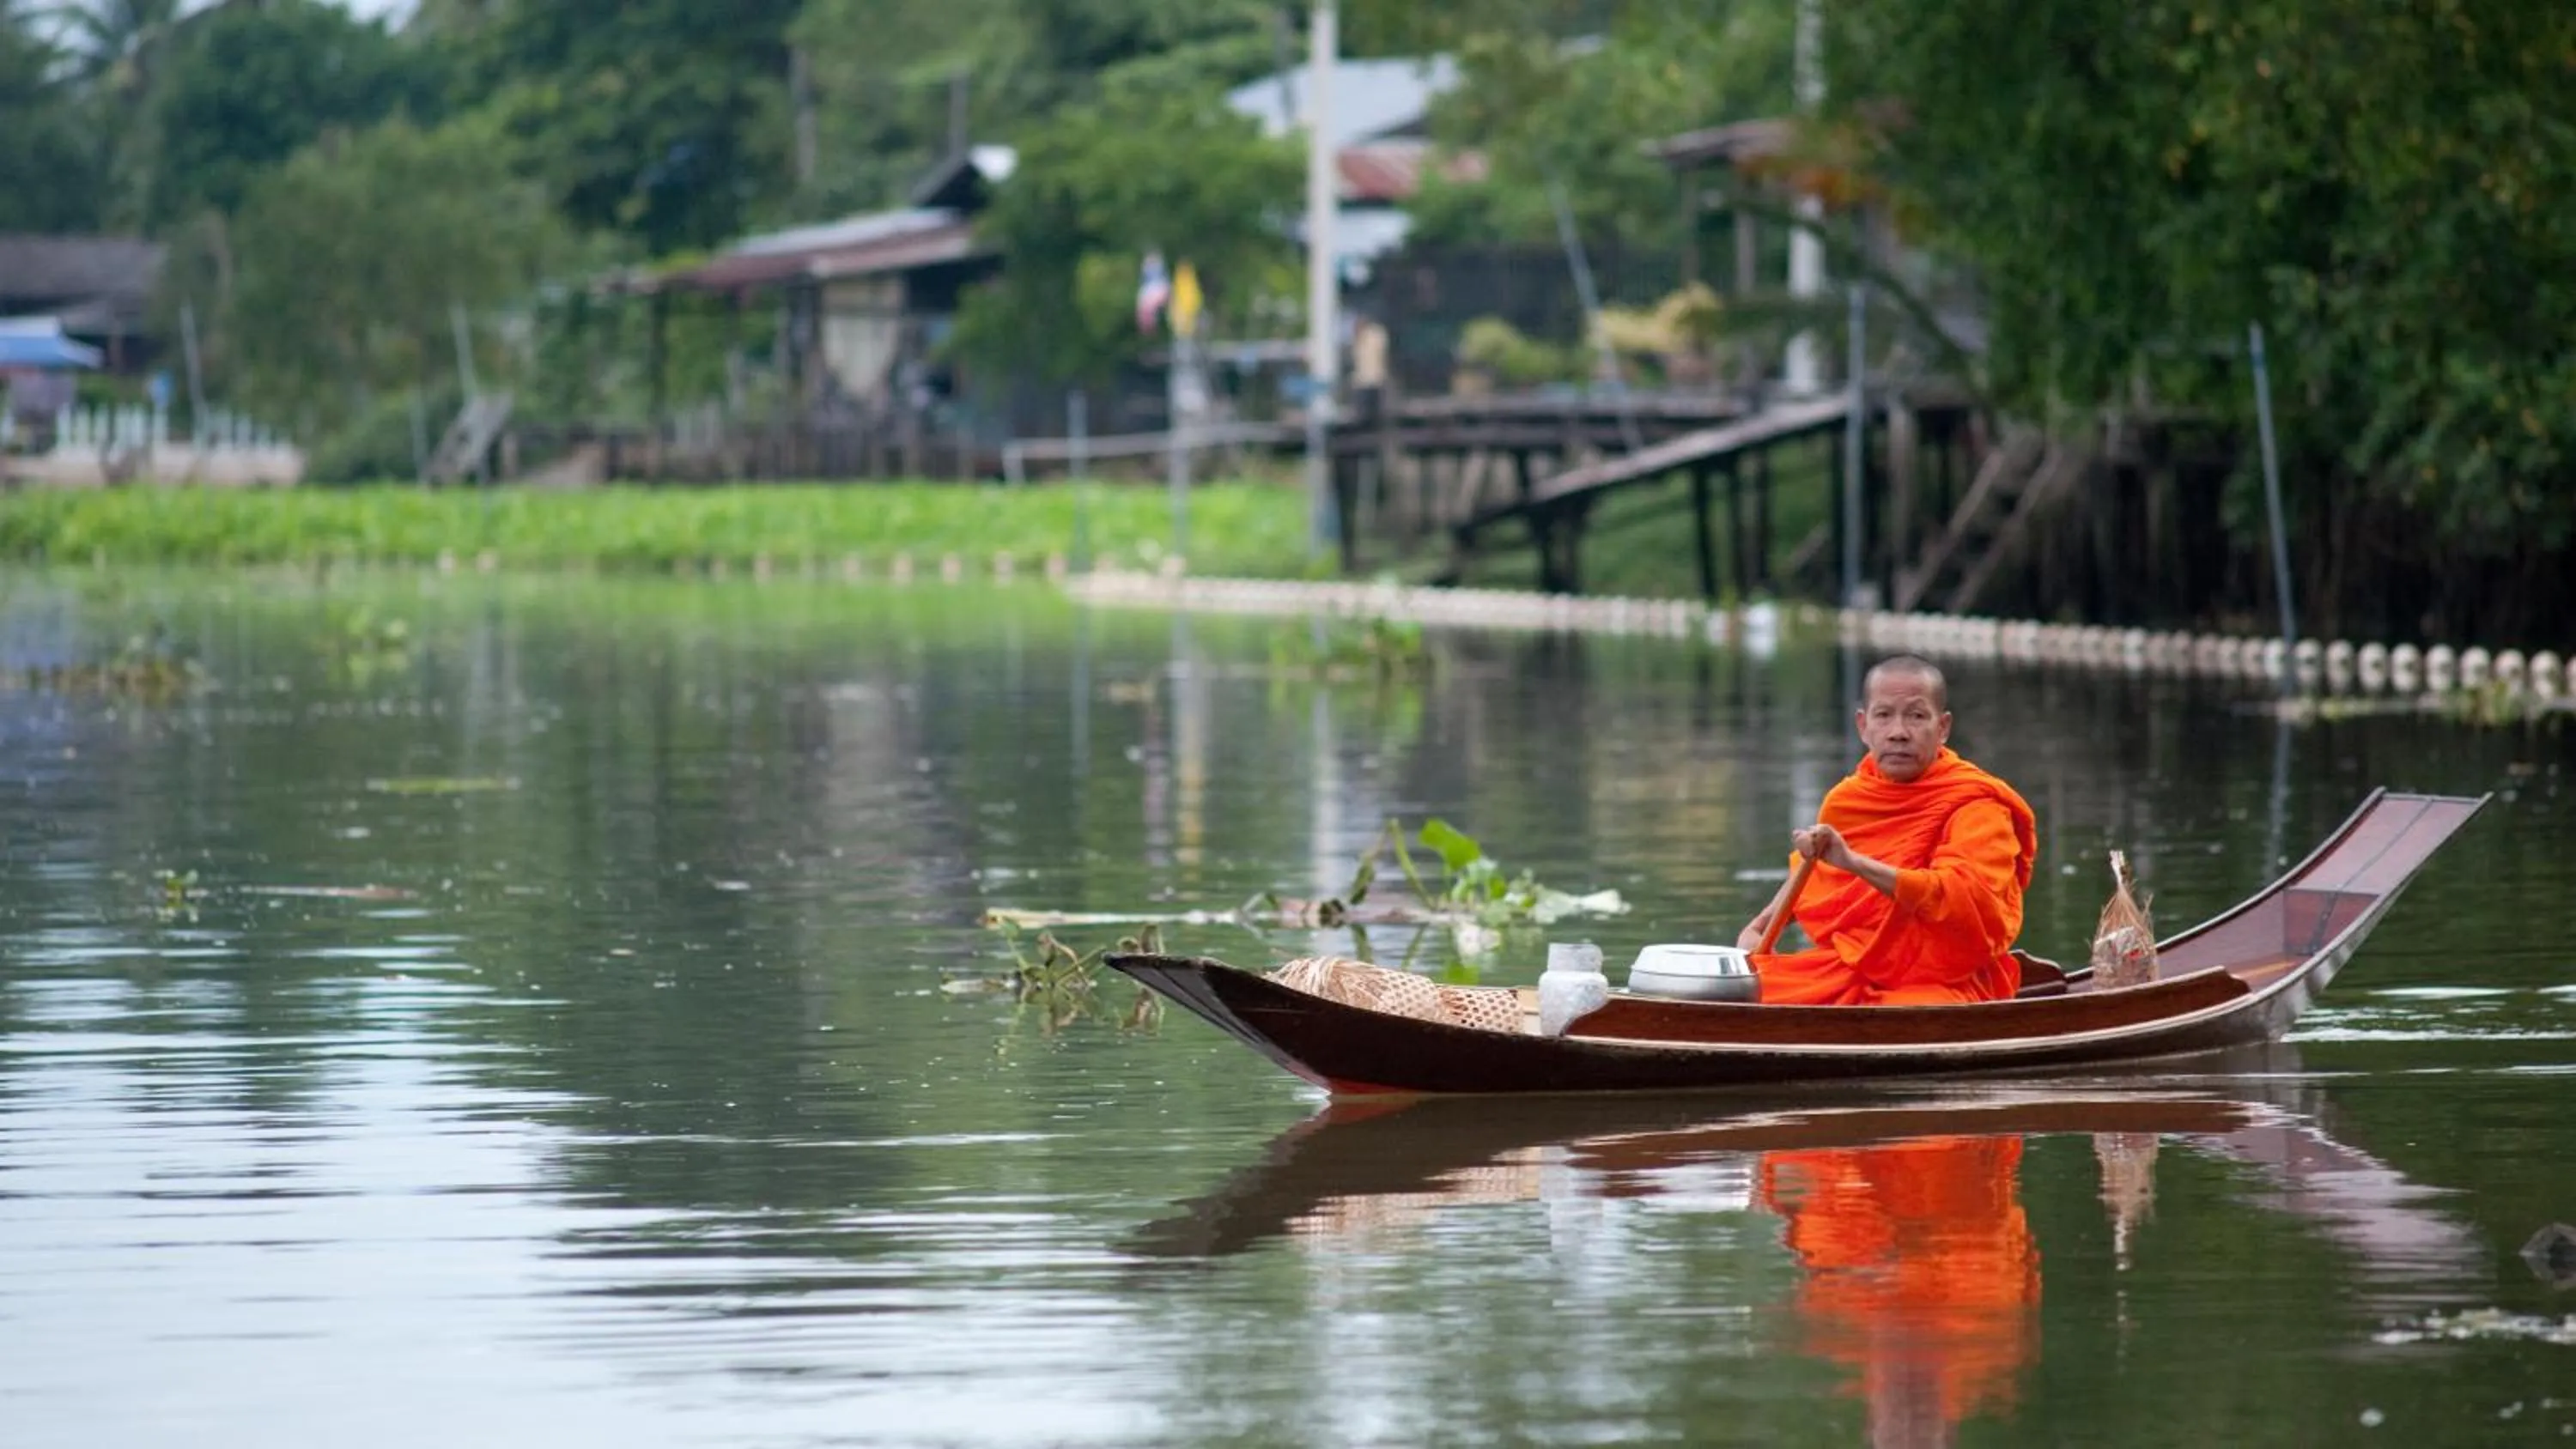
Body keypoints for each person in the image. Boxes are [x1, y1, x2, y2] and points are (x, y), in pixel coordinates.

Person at [1737, 655, 2038, 1006]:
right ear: (1863, 726)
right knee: (1751, 989)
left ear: (1942, 728)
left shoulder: (1975, 804)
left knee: (1910, 1014)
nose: (1898, 732)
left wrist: (1854, 862)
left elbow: (1962, 900)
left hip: (1943, 977)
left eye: (1916, 715)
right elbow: (1817, 874)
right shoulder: (1850, 799)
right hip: (1854, 968)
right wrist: (1758, 927)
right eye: (1884, 715)